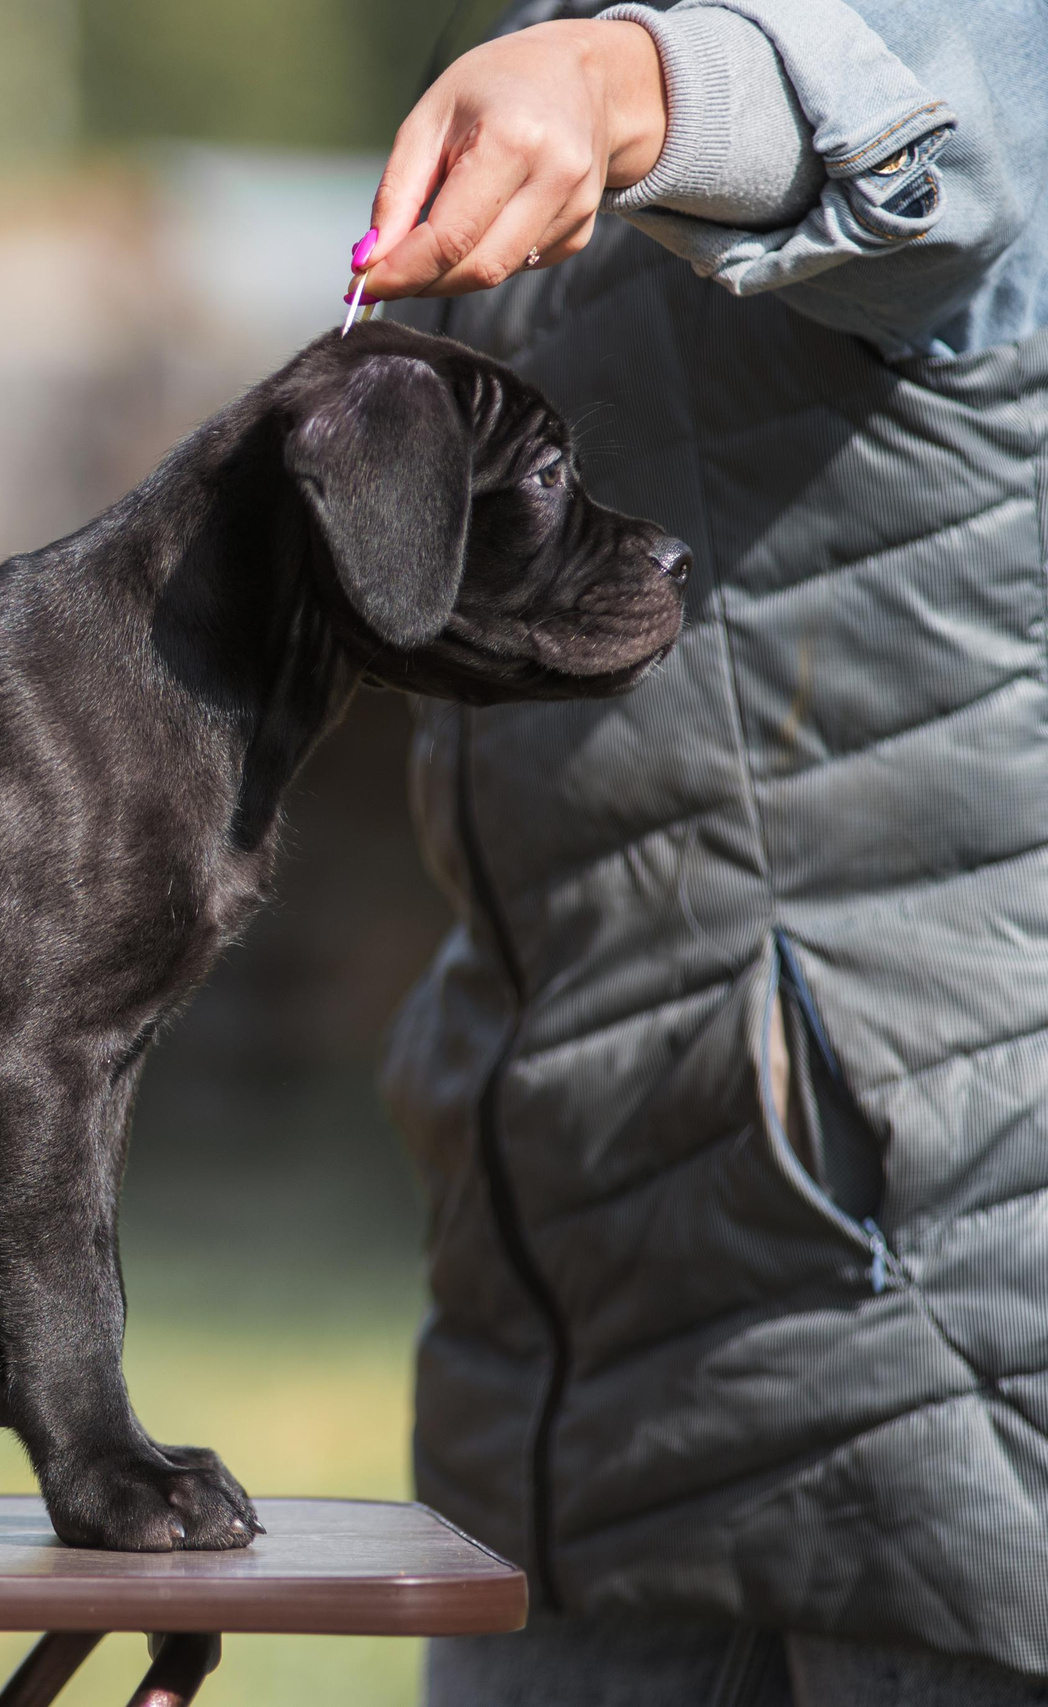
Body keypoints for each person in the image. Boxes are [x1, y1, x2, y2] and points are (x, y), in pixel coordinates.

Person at [351, 2, 1048, 1701]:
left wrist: (612, 83)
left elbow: (913, 141)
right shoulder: (526, 89)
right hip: (552, 1364)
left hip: (930, 1353)